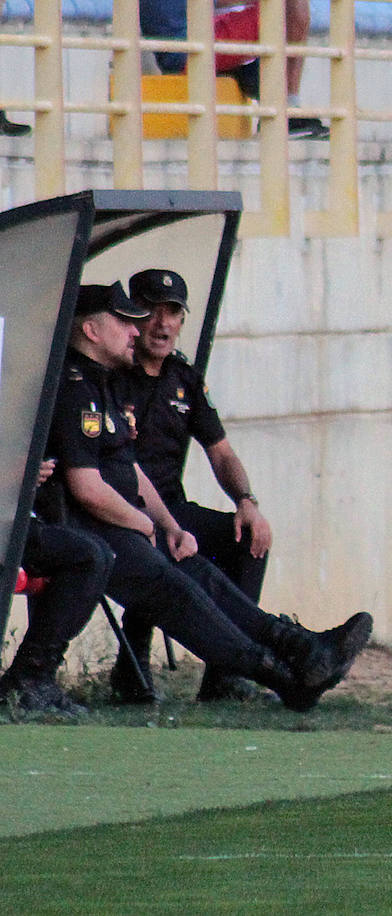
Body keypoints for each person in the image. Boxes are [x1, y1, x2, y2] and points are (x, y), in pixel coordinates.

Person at [45, 282, 371, 710]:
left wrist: (176, 524)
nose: (141, 328)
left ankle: (297, 651)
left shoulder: (129, 380)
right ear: (91, 330)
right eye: (131, 318)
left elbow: (140, 470)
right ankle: (282, 674)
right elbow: (88, 488)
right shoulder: (77, 386)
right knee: (181, 589)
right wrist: (147, 525)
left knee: (203, 572)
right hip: (97, 526)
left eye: (171, 312)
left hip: (139, 518)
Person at [114, 267, 273, 702]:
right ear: (131, 315)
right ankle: (131, 670)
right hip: (116, 510)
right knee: (152, 546)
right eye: (151, 311)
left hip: (172, 510)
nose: (162, 324)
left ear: (183, 321)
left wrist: (247, 501)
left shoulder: (185, 380)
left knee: (248, 537)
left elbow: (220, 452)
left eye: (173, 313)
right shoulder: (110, 375)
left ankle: (227, 675)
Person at [0, 461, 115, 718]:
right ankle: (29, 677)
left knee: (98, 555)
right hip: (6, 526)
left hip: (15, 520)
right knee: (86, 557)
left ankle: (34, 676)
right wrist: (13, 472)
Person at [140, 0, 329, 139]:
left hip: (188, 45)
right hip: (186, 51)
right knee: (286, 8)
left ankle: (282, 106)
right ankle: (287, 109)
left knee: (283, 12)